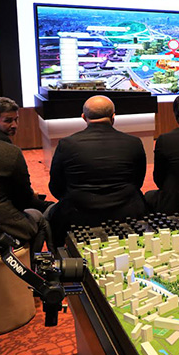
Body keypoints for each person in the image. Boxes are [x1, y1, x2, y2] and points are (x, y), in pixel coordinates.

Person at [48, 96, 147, 246]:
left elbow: (56, 187)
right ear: (113, 117)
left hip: (78, 214)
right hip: (127, 213)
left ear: (83, 117)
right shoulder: (134, 143)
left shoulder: (66, 144)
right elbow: (138, 182)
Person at [0, 138, 51, 261]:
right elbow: (24, 200)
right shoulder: (9, 152)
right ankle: (31, 266)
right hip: (1, 225)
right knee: (38, 218)